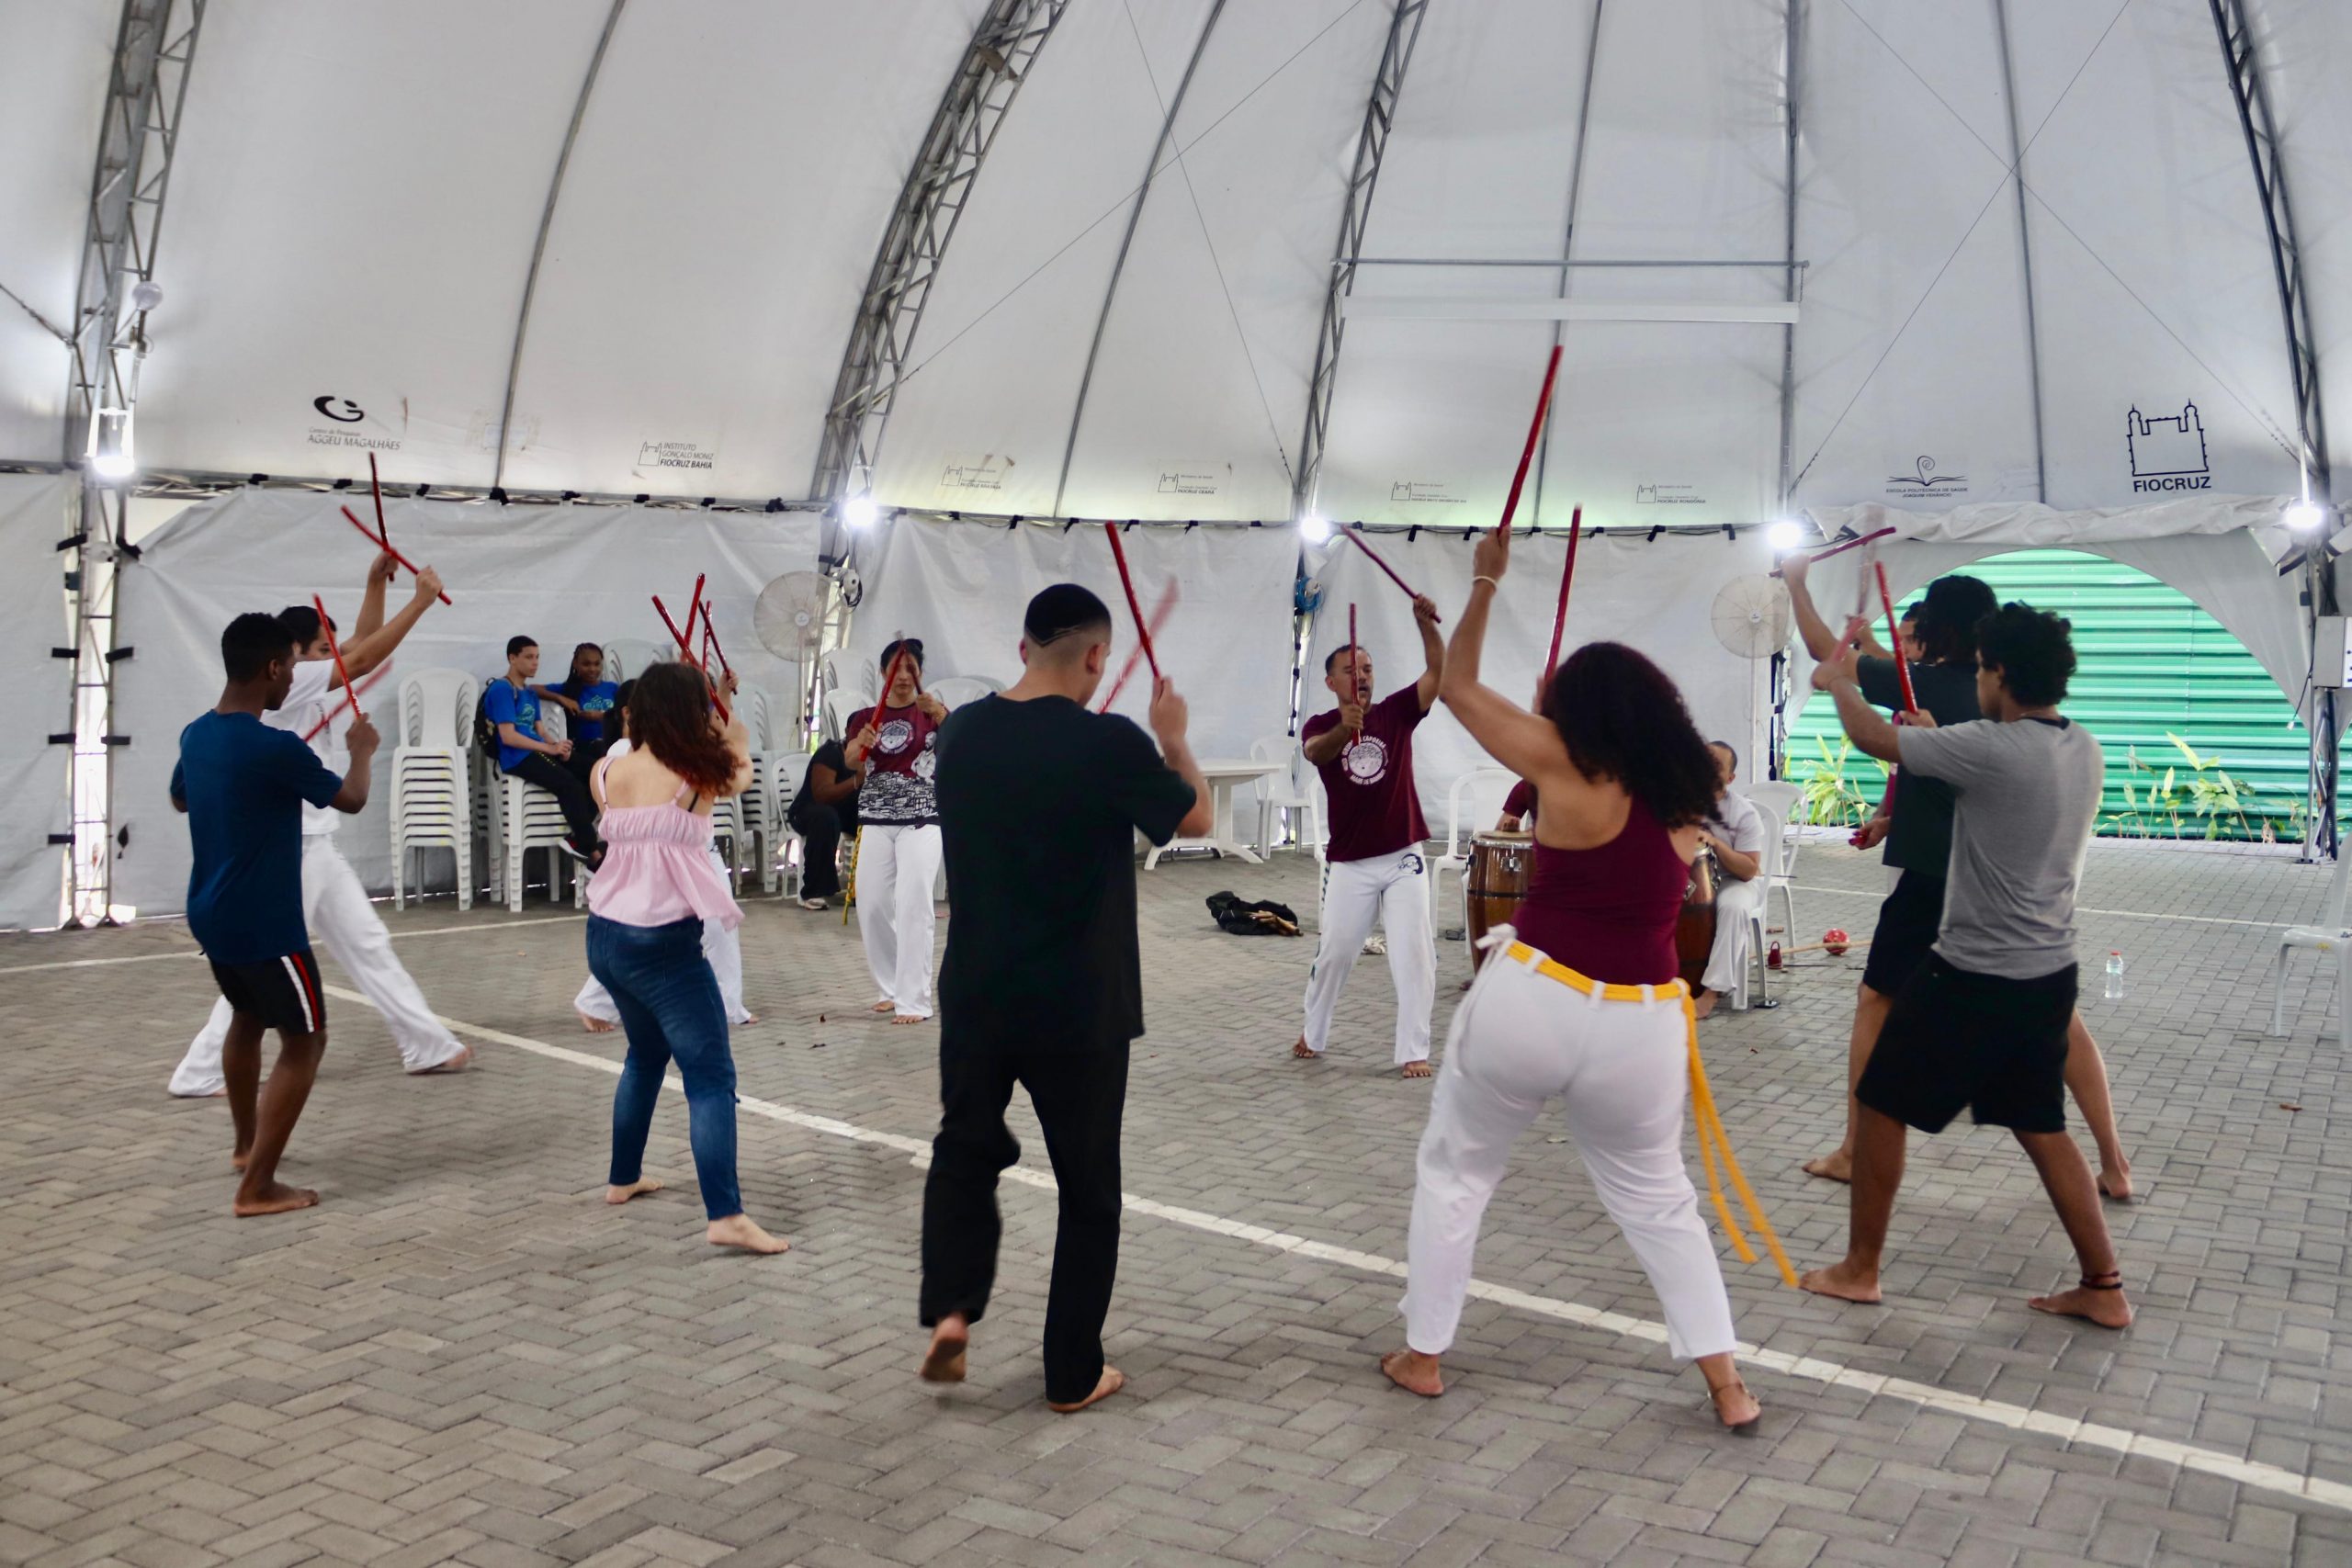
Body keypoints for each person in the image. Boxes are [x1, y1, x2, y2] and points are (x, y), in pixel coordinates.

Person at [1380, 530, 1764, 1431]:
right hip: (1642, 1023)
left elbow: (1462, 691)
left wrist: (1484, 582)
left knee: (1456, 1174)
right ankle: (1729, 1387)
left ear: (1576, 714)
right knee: (1661, 1203)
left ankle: (1422, 1356)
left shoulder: (1563, 766)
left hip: (1535, 996)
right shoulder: (1684, 802)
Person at [918, 584, 1211, 1414]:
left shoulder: (963, 732)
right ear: (1092, 656)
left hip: (977, 989)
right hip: (1077, 1004)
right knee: (1088, 1191)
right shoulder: (1110, 742)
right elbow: (1195, 819)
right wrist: (1175, 740)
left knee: (964, 1151)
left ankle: (950, 1308)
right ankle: (1071, 1370)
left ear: (1021, 646)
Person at [1801, 604, 2132, 1328]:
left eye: (1982, 669)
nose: (1977, 678)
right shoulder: (2079, 746)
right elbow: (1981, 788)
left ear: (2001, 674)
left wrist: (1837, 682)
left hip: (1976, 974)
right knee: (2041, 1124)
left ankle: (1859, 1268)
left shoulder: (1989, 747)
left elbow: (1870, 736)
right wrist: (1937, 742)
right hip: (2048, 972)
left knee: (1882, 1099)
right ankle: (2104, 1286)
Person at [168, 559, 469, 1095]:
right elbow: (364, 655)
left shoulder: (286, 678)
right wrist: (420, 601)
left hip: (316, 847)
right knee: (257, 973)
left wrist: (376, 583)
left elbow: (358, 644)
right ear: (291, 660)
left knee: (367, 943)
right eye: (322, 650)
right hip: (294, 851)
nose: (336, 656)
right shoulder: (295, 681)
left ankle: (427, 1044)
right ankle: (200, 1071)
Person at [173, 613, 379, 1215]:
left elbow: (180, 796)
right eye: (293, 665)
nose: (296, 677)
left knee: (245, 1016)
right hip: (266, 921)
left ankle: (244, 1146)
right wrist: (361, 749)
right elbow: (353, 797)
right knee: (306, 1038)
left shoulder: (197, 734)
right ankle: (257, 1185)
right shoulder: (275, 745)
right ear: (271, 668)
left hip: (210, 911)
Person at [586, 661, 788, 1255]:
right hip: (664, 944)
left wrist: (715, 703)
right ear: (690, 713)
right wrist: (735, 725)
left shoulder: (607, 770)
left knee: (645, 1054)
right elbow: (742, 766)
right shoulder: (696, 775)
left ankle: (623, 1177)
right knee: (710, 1076)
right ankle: (725, 1214)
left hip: (604, 937)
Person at [1294, 594, 1445, 1077]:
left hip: (1403, 856)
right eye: (1351, 669)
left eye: (1367, 668)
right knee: (1336, 951)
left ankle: (1414, 1050)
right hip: (1350, 862)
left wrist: (1425, 627)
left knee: (1414, 951)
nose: (1361, 676)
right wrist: (1345, 728)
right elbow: (1317, 754)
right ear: (1330, 682)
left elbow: (1437, 674)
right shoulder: (1321, 724)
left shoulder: (1398, 711)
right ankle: (1313, 1033)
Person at [573, 678, 754, 1032]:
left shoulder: (614, 764)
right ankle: (597, 1001)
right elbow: (731, 775)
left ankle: (729, 1005)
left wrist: (723, 706)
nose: (704, 715)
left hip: (660, 869)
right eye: (698, 709)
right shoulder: (625, 754)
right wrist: (738, 744)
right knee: (645, 938)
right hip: (668, 865)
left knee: (685, 935)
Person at [847, 638, 948, 1023]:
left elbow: (963, 744)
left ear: (920, 673)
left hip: (923, 818)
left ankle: (915, 1000)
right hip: (875, 818)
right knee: (871, 905)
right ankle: (889, 989)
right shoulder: (864, 717)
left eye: (911, 669)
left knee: (913, 904)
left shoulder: (934, 713)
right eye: (896, 669)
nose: (904, 677)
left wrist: (941, 714)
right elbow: (849, 760)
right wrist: (861, 742)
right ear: (883, 673)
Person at [485, 635, 602, 864]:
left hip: (537, 750)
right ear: (512, 658)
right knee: (571, 785)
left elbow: (539, 729)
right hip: (518, 757)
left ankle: (577, 839)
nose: (535, 662)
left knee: (595, 772)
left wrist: (558, 747)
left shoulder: (528, 692)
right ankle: (593, 853)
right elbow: (508, 736)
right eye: (529, 657)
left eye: (537, 657)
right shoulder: (502, 689)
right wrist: (548, 748)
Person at [1690, 740, 1769, 1021]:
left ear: (1731, 778)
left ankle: (1711, 993)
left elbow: (1749, 869)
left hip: (1734, 881)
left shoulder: (1743, 813)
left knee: (1734, 907)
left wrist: (1716, 843)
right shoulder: (1681, 801)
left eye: (1717, 766)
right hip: (1691, 882)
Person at [789, 730, 861, 910]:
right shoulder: (830, 753)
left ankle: (861, 890)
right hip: (809, 810)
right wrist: (856, 780)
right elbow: (822, 795)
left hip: (843, 811)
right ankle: (814, 890)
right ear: (848, 734)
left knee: (874, 820)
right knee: (825, 818)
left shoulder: (872, 758)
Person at [533, 642, 620, 763]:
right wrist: (560, 698)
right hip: (586, 746)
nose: (592, 669)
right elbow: (531, 689)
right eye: (586, 664)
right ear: (575, 664)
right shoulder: (570, 689)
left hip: (612, 741)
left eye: (597, 664)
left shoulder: (612, 688)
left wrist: (603, 716)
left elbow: (627, 710)